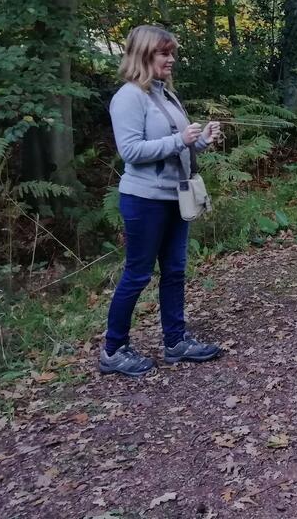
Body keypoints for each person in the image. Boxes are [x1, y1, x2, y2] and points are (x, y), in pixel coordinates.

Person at [99, 25, 223, 377]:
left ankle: (175, 341)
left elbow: (180, 146)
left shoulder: (166, 95)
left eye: (172, 53)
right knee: (137, 275)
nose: (171, 60)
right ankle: (113, 350)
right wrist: (180, 139)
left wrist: (203, 140)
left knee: (174, 271)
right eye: (164, 53)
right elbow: (131, 152)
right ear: (143, 55)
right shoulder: (128, 97)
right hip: (144, 200)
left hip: (175, 197)